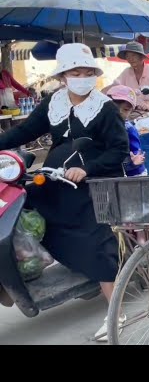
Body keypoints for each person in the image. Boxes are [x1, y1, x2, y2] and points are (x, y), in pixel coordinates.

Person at [0, 43, 130, 340]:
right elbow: (24, 132)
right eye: (75, 72)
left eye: (87, 72)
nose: (82, 77)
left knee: (96, 242)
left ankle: (116, 312)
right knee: (27, 208)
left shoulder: (105, 108)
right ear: (63, 77)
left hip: (95, 185)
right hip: (57, 179)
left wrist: (88, 169)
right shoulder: (53, 103)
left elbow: (119, 150)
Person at [103, 41, 149, 115]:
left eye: (133, 56)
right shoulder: (126, 72)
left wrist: (148, 104)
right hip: (132, 111)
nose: (130, 59)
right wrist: (99, 94)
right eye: (128, 56)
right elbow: (114, 86)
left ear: (141, 57)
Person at [105, 85, 147, 177]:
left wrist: (134, 160)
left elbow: (136, 152)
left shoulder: (128, 129)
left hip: (133, 175)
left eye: (125, 109)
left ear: (131, 111)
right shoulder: (103, 125)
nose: (119, 112)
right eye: (115, 107)